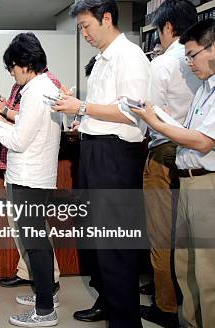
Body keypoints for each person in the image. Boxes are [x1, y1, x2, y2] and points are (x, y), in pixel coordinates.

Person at [53, 1, 151, 326]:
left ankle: (124, 321)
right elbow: (100, 110)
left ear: (106, 18)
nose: (83, 33)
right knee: (98, 241)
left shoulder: (129, 56)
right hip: (95, 151)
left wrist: (82, 106)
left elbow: (130, 111)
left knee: (116, 246)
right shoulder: (100, 61)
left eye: (85, 26)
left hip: (116, 157)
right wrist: (82, 116)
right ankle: (109, 308)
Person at [0, 32, 62, 327]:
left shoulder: (36, 91)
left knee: (35, 243)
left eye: (12, 67)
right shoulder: (45, 87)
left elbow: (18, 140)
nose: (12, 73)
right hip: (37, 175)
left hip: (29, 177)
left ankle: (45, 310)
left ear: (24, 63)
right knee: (38, 242)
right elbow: (24, 129)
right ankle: (45, 296)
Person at [132, 18, 215, 328]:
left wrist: (153, 121)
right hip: (189, 180)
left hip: (206, 183)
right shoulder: (205, 89)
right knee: (186, 265)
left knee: (206, 272)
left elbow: (202, 141)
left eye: (192, 55)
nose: (189, 63)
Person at [141, 1, 200, 327]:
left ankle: (165, 307)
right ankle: (187, 299)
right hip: (197, 152)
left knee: (161, 234)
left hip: (164, 151)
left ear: (166, 28)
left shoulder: (162, 64)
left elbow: (148, 114)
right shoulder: (203, 62)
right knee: (189, 236)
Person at [0, 68, 63, 292]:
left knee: (35, 232)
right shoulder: (25, 86)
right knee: (21, 227)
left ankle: (47, 285)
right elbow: (22, 120)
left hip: (31, 170)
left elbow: (23, 133)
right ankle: (32, 275)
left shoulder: (43, 87)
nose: (11, 73)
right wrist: (2, 112)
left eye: (12, 68)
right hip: (18, 165)